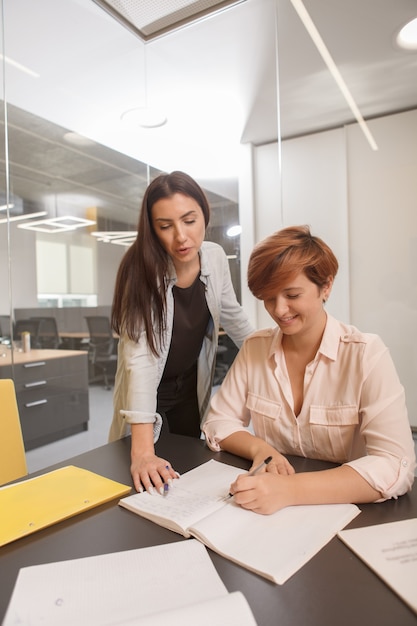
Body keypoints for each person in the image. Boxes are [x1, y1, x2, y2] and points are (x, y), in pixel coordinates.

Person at [203, 225, 416, 514]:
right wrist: (261, 450)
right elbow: (218, 423)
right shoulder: (255, 348)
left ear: (326, 286)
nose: (279, 310)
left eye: (292, 295)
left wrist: (290, 490)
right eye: (268, 297)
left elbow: (395, 463)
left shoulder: (365, 354)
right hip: (273, 512)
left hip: (345, 509)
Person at [109, 171, 254, 494]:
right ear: (152, 229)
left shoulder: (214, 257)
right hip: (147, 396)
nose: (181, 237)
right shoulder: (140, 270)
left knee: (188, 475)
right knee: (143, 482)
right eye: (165, 226)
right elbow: (142, 361)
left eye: (189, 220)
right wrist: (143, 452)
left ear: (205, 213)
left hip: (188, 388)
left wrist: (276, 359)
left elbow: (233, 316)